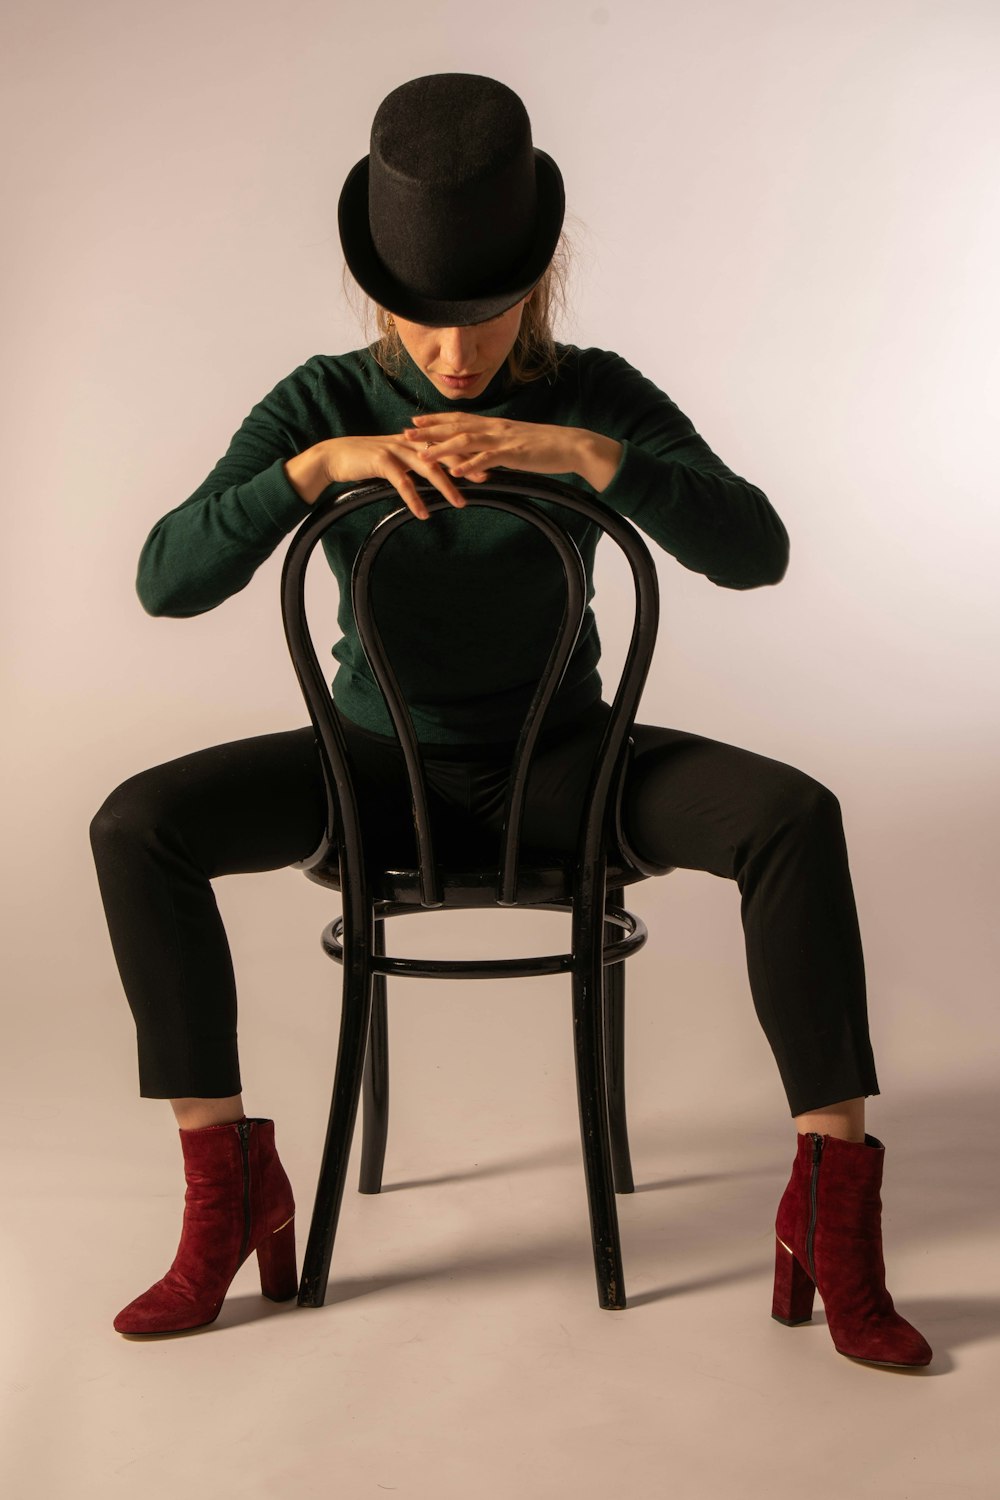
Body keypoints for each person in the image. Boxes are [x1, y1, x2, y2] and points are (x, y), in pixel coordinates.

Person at [90, 71, 931, 1367]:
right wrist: (320, 473)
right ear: (378, 293)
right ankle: (228, 1190)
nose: (451, 354)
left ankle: (833, 1214)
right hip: (367, 774)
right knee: (135, 823)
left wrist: (584, 459)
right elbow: (165, 576)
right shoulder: (324, 401)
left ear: (537, 280)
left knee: (794, 818)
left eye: (481, 316)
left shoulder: (589, 390)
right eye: (421, 321)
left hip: (570, 772)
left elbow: (755, 550)